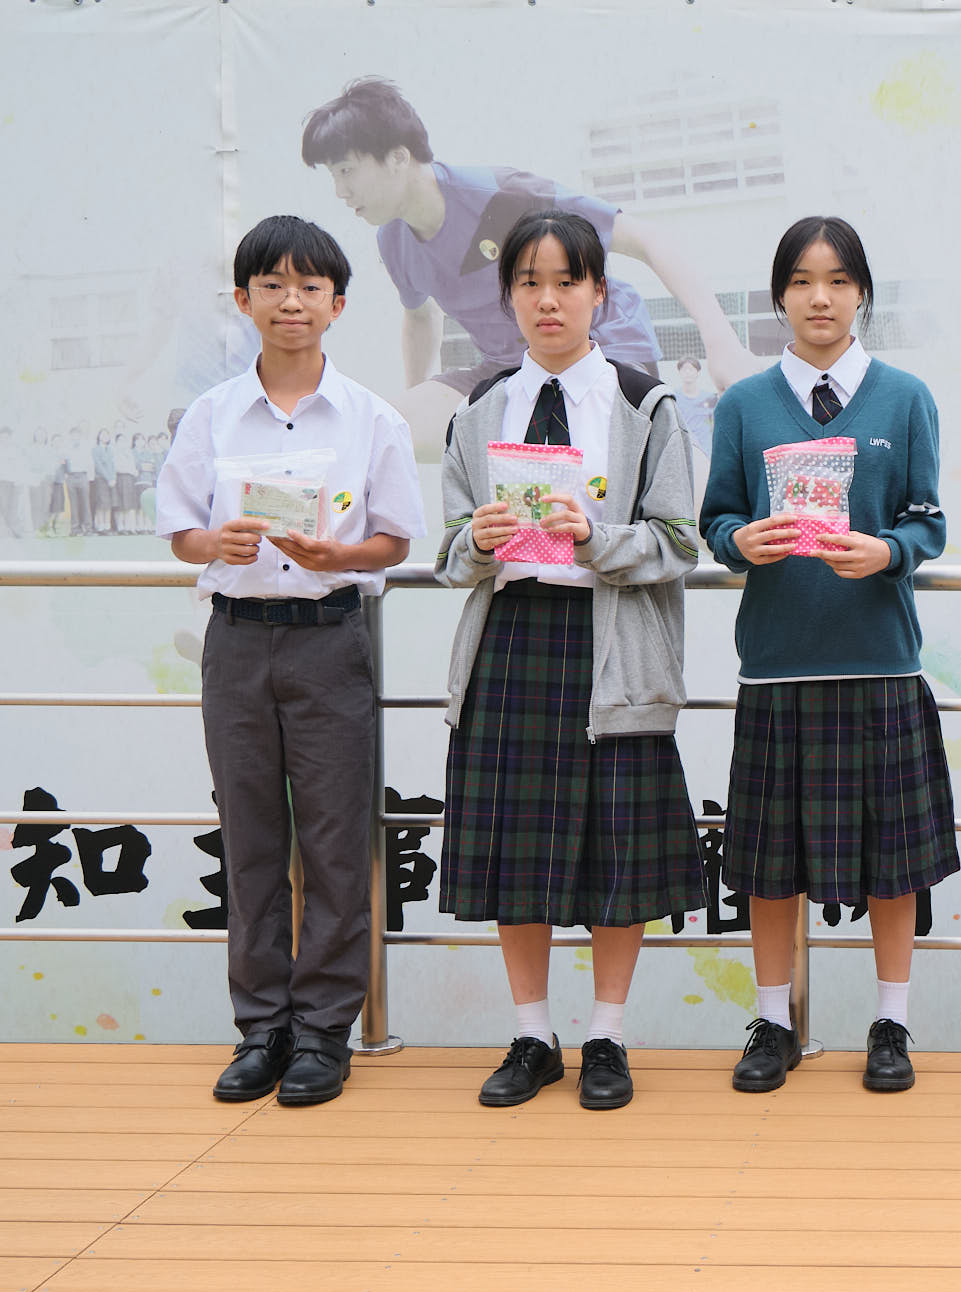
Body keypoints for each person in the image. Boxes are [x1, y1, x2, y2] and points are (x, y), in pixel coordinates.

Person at [435, 210, 709, 1110]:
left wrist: (597, 538)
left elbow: (680, 542)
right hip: (510, 641)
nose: (547, 300)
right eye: (529, 283)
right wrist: (476, 540)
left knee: (615, 854)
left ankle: (607, 1036)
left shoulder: (645, 405)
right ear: (508, 296)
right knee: (515, 855)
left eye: (566, 282)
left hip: (611, 645)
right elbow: (448, 552)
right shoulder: (480, 409)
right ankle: (531, 1035)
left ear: (600, 292)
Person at [155, 214, 426, 1105]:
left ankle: (322, 1031)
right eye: (271, 284)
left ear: (338, 304)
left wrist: (337, 555)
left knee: (338, 841)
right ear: (243, 300)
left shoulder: (372, 418)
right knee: (249, 840)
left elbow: (394, 540)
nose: (291, 301)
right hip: (235, 640)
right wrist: (216, 542)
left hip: (329, 638)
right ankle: (261, 1027)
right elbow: (180, 532)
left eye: (310, 286)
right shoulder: (210, 415)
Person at [702, 215, 956, 1095]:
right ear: (779, 295)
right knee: (770, 865)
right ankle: (774, 1021)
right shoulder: (743, 405)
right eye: (804, 281)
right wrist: (742, 542)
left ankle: (891, 1022)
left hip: (881, 663)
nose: (821, 297)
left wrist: (888, 551)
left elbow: (928, 521)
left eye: (840, 281)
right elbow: (717, 520)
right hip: (778, 666)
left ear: (862, 294)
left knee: (894, 862)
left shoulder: (905, 398)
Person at [300, 78, 754, 460]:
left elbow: (648, 239)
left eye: (347, 171)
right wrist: (418, 398)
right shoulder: (393, 239)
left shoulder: (503, 197)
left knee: (653, 477)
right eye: (333, 176)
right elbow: (419, 317)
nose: (340, 191)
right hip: (509, 370)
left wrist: (723, 344)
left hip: (600, 350)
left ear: (398, 157)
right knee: (386, 429)